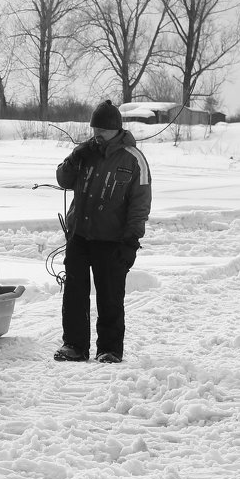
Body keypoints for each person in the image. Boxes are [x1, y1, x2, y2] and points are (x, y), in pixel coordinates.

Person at [54, 100, 152, 364]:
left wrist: (132, 240)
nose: (96, 135)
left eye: (102, 130)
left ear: (116, 129)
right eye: (94, 129)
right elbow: (63, 180)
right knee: (74, 292)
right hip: (80, 235)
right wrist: (73, 159)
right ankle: (74, 345)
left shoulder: (134, 159)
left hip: (112, 239)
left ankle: (109, 349)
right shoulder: (86, 152)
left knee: (110, 295)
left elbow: (140, 204)